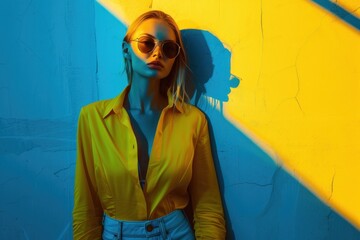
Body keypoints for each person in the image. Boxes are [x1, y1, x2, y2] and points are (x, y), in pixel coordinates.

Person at [72, 10, 226, 239]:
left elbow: (207, 204)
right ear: (127, 50)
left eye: (168, 48)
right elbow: (86, 209)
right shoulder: (93, 119)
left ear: (175, 58)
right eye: (146, 43)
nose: (157, 53)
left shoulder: (193, 121)